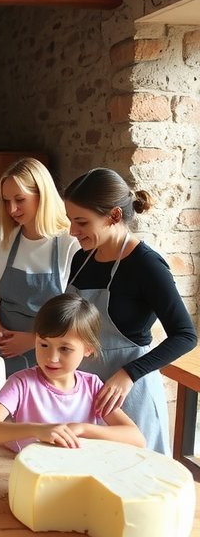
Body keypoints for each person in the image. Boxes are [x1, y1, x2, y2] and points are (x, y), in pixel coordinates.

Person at [63, 168, 197, 455]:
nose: (72, 231)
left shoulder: (146, 265)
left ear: (113, 216)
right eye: (70, 220)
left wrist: (128, 374)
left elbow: (185, 335)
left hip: (130, 396)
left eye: (81, 222)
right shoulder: (80, 259)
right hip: (85, 392)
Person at [0, 293, 145, 452]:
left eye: (65, 349)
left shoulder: (92, 387)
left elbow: (136, 439)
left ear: (88, 349)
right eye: (44, 345)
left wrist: (82, 428)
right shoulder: (21, 383)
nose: (52, 358)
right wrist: (37, 430)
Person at [0, 158, 79, 377]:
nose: (12, 209)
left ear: (42, 195)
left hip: (49, 352)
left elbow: (76, 311)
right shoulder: (0, 237)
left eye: (19, 199)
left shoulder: (69, 242)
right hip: (0, 347)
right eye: (6, 201)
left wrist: (34, 340)